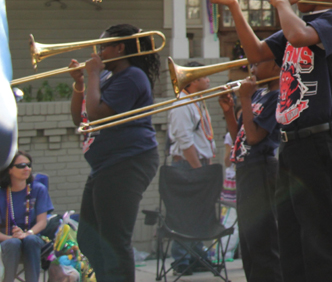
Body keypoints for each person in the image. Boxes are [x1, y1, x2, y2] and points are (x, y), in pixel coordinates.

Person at [212, 0, 332, 282]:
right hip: (292, 143)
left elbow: (300, 37)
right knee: (291, 239)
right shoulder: (297, 24)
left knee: (321, 240)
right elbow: (258, 54)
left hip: (320, 139)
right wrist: (235, 7)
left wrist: (280, 3)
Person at [68, 23, 160, 282]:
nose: (98, 52)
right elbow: (82, 119)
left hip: (128, 161)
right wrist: (80, 84)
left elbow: (97, 116)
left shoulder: (132, 76)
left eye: (103, 47)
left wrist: (94, 74)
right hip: (107, 165)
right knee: (88, 238)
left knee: (113, 241)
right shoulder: (110, 77)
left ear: (120, 47)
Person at [218, 59, 282, 282]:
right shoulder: (258, 94)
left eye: (257, 64)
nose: (251, 70)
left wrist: (244, 98)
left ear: (276, 66)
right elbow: (240, 139)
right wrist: (228, 112)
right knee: (248, 241)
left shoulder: (278, 96)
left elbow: (255, 137)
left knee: (263, 240)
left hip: (262, 168)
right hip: (246, 168)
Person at [166, 62, 216, 274]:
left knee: (198, 213)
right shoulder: (182, 104)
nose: (209, 80)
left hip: (198, 163)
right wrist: (198, 169)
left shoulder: (197, 102)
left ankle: (197, 255)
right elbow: (184, 140)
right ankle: (181, 259)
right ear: (194, 79)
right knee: (185, 213)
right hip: (187, 165)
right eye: (205, 77)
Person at [0, 151, 51, 282]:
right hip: (5, 239)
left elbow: (42, 222)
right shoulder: (2, 193)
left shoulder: (38, 189)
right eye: (21, 165)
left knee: (31, 240)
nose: (27, 168)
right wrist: (10, 237)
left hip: (32, 237)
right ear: (9, 169)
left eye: (29, 165)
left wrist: (27, 234)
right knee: (13, 243)